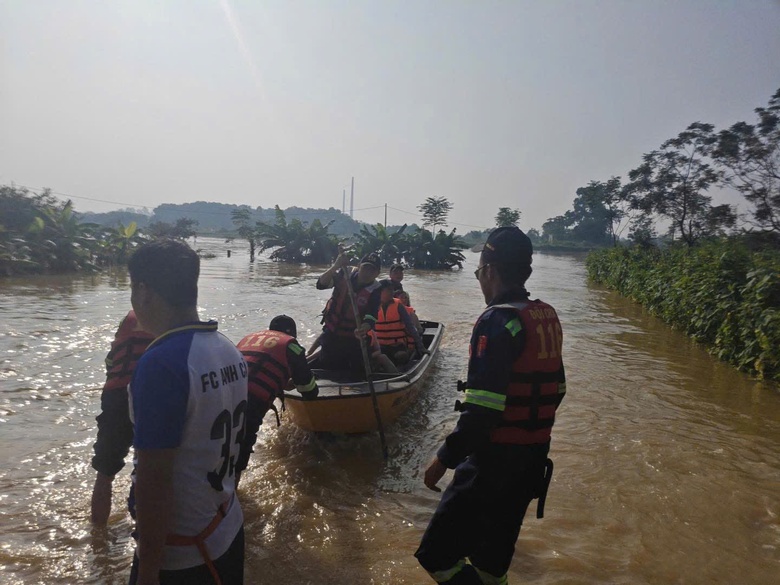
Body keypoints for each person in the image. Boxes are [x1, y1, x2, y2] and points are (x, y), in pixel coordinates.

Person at [415, 226, 566, 585]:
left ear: (491, 271)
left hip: (493, 465)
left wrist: (442, 460)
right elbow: (558, 389)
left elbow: (482, 413)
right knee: (490, 564)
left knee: (436, 556)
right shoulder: (545, 317)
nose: (480, 281)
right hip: (531, 464)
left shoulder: (497, 321)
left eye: (479, 272)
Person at [127, 239, 248, 585]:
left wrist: (148, 571)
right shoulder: (228, 349)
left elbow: (154, 480)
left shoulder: (162, 363)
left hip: (185, 557)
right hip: (227, 526)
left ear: (144, 291)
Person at [234, 314, 319, 485]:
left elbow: (255, 370)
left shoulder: (249, 338)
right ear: (292, 334)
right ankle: (233, 500)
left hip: (224, 395)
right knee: (239, 455)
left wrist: (279, 383)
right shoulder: (292, 346)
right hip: (251, 403)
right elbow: (310, 391)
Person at [90, 310, 154, 526]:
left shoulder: (128, 320)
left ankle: (98, 540)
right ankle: (144, 531)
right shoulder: (171, 315)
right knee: (148, 465)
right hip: (148, 392)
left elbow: (111, 361)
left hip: (115, 393)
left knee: (105, 473)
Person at [316, 250, 383, 371]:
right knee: (326, 369)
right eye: (365, 268)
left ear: (377, 273)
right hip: (332, 333)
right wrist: (335, 266)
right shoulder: (344, 274)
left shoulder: (376, 290)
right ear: (358, 266)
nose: (367, 273)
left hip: (354, 337)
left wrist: (364, 327)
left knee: (356, 372)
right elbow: (321, 284)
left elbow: (371, 315)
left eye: (372, 270)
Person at [374, 281, 427, 366]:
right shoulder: (372, 305)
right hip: (379, 346)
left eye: (392, 290)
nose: (392, 293)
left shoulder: (398, 306)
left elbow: (410, 326)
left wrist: (421, 346)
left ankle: (399, 371)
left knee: (401, 356)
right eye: (389, 290)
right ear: (380, 291)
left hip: (397, 345)